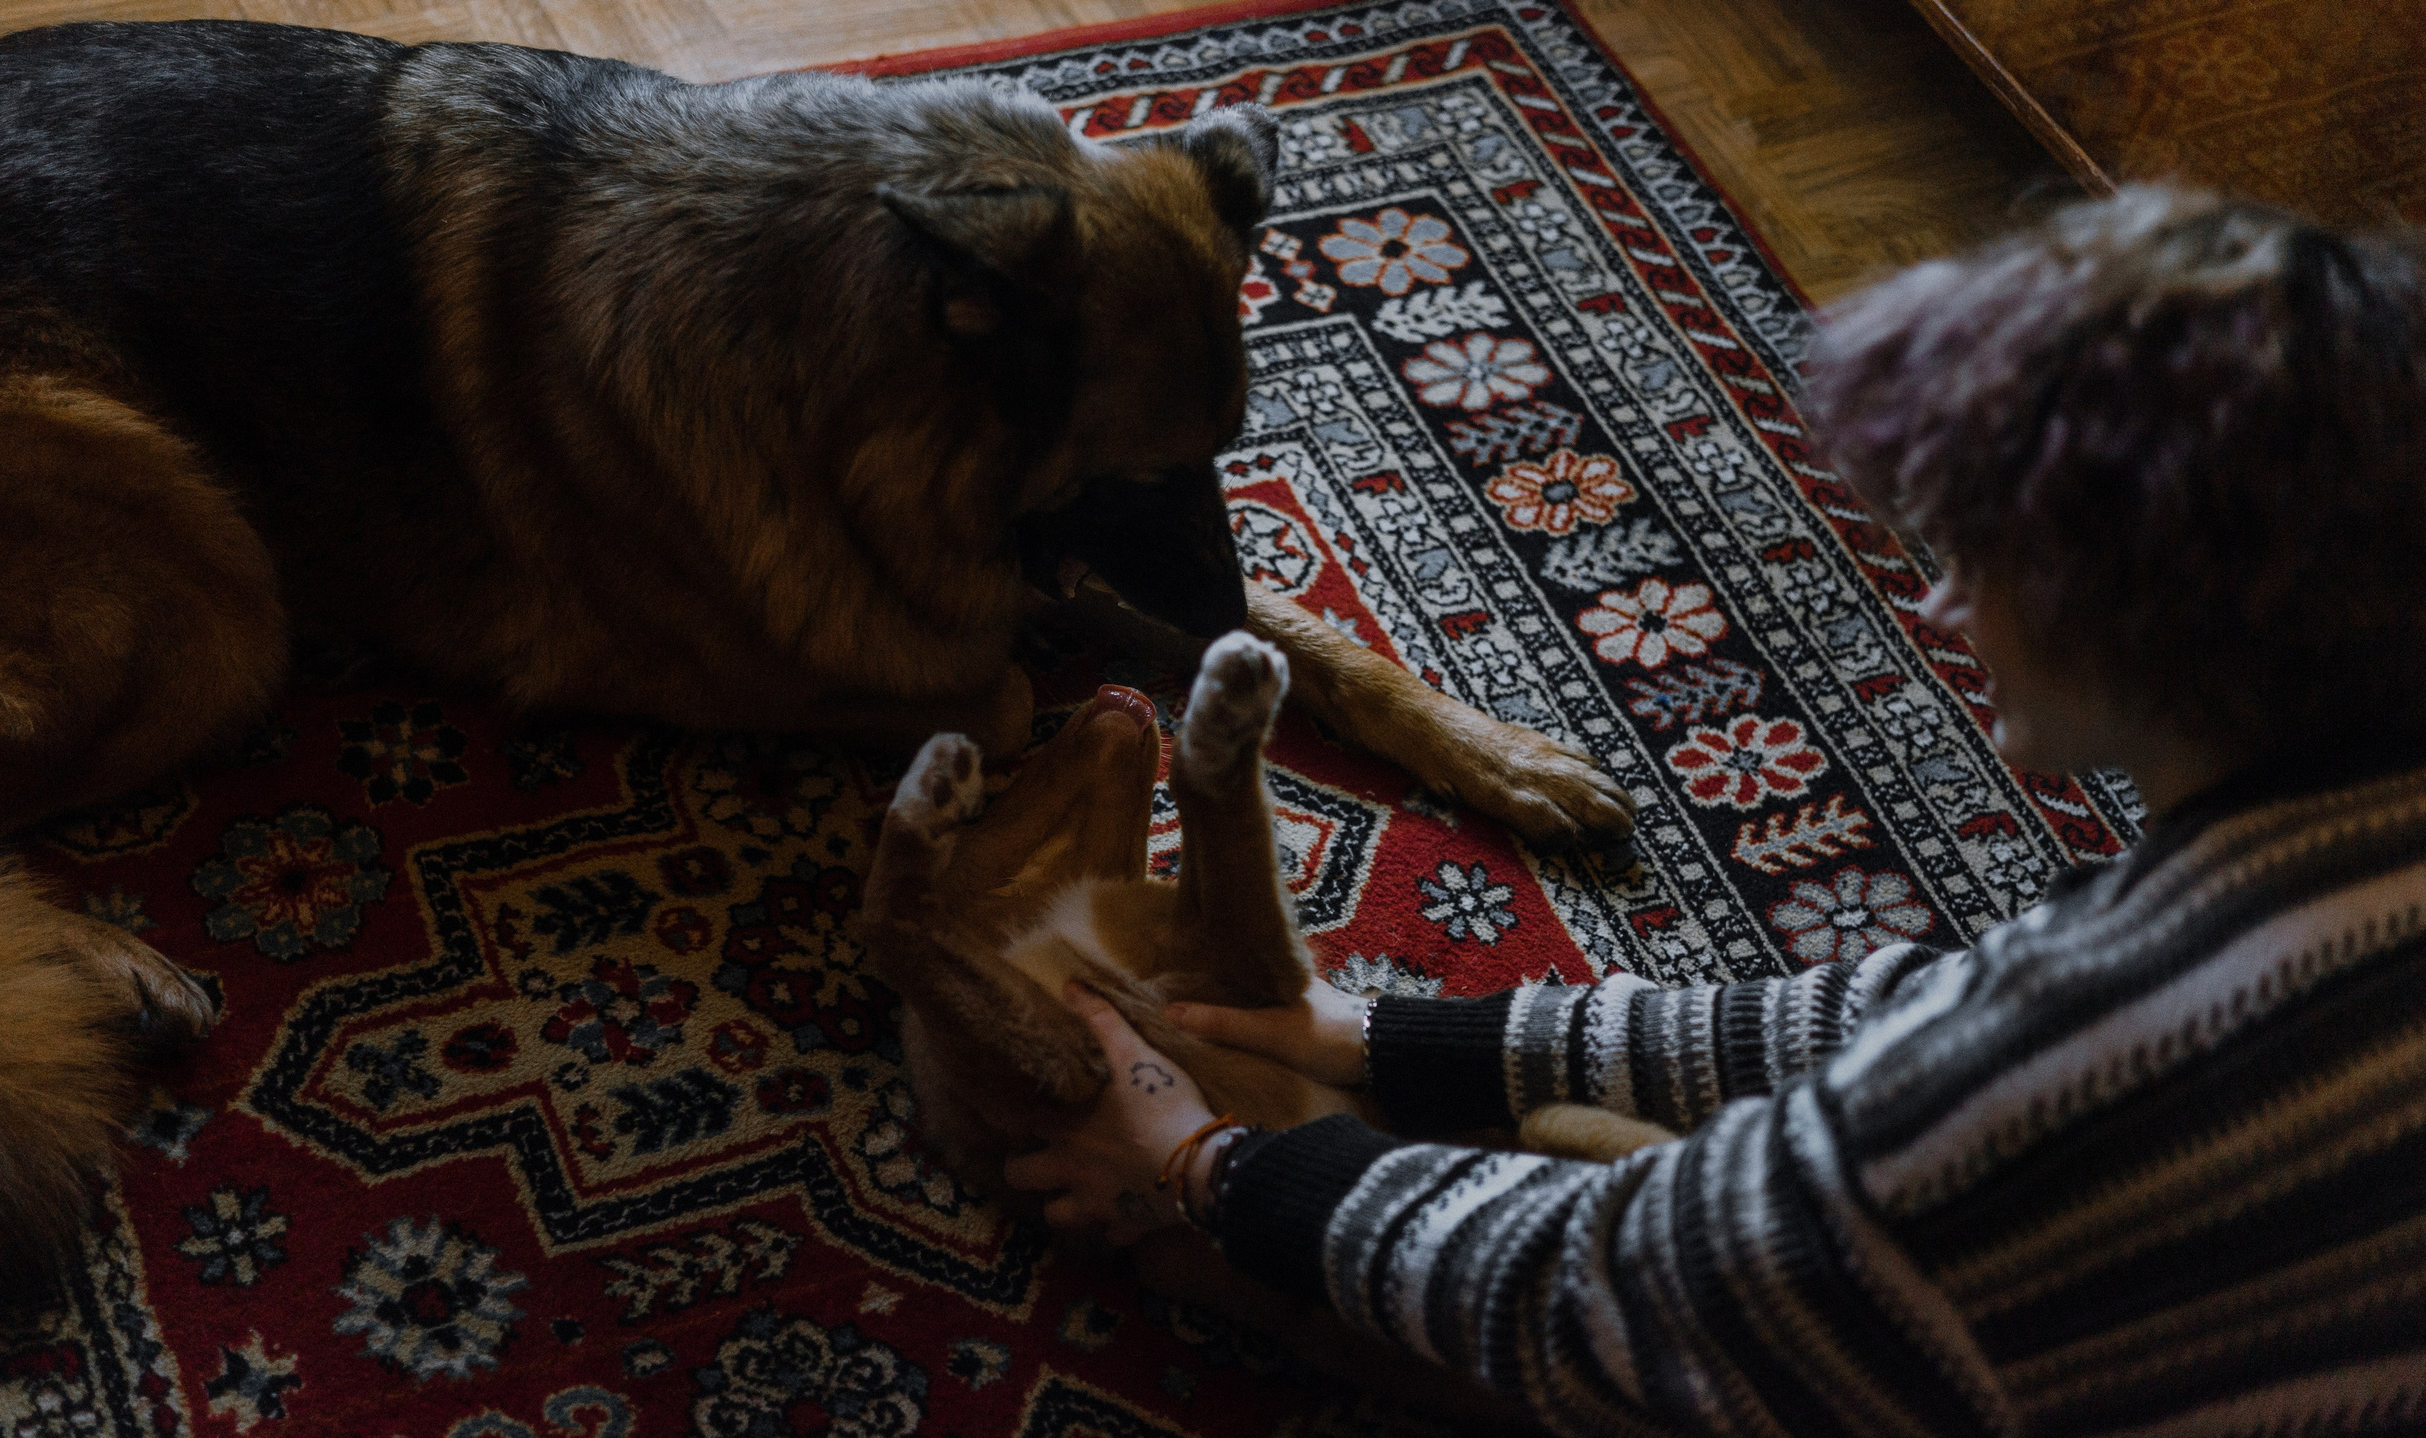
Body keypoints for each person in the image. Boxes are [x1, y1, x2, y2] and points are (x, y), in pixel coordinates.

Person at [1001, 187, 2426, 1435]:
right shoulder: (2345, 826)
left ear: (2127, 614)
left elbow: (1615, 1294)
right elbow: (1930, 1009)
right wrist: (1397, 1036)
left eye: (1981, 555)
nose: (1943, 602)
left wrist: (1204, 1164)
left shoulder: (2055, 1086)